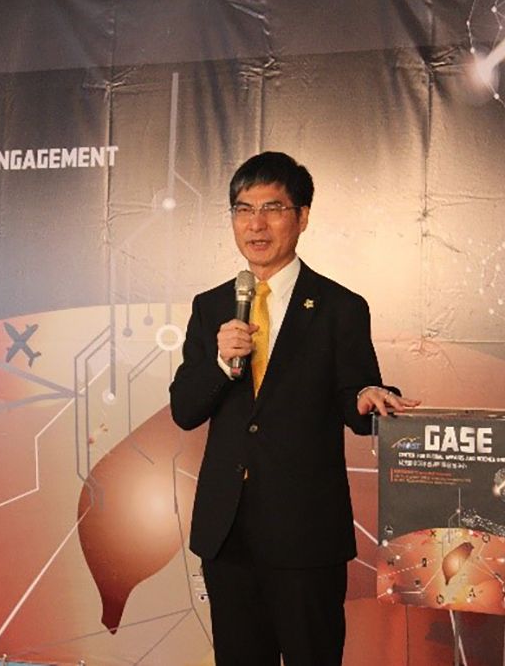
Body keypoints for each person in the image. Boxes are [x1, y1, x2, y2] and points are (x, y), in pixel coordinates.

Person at [169, 151, 419, 665]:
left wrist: (367, 397)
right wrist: (220, 362)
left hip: (305, 532)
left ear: (302, 217)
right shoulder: (211, 306)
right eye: (243, 209)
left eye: (272, 208)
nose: (256, 224)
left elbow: (357, 397)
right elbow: (185, 409)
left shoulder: (340, 307)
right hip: (227, 532)